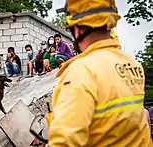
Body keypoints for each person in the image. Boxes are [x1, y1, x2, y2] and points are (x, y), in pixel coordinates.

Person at [49, 0, 153, 146]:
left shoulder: (81, 72)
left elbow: (65, 142)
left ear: (77, 29)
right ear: (109, 23)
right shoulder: (133, 65)